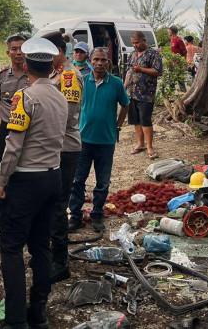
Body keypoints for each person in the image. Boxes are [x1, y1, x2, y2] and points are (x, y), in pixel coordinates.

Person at [0, 37, 67, 329]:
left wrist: (1, 181)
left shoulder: (25, 97)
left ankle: (15, 320)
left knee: (11, 248)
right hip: (53, 176)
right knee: (41, 246)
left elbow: (13, 147)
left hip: (26, 180)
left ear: (26, 65)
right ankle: (38, 313)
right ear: (52, 66)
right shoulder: (61, 97)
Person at [68, 47, 129, 234]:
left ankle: (96, 215)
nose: (99, 63)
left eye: (103, 60)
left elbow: (125, 105)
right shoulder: (82, 81)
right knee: (78, 179)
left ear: (108, 62)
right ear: (90, 60)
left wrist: (117, 125)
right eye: (96, 59)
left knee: (102, 182)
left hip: (106, 140)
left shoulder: (116, 83)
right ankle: (75, 216)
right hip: (83, 139)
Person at [41, 31, 83, 283]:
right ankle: (50, 254)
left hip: (64, 147)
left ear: (58, 51)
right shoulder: (54, 74)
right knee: (49, 203)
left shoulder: (68, 76)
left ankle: (60, 261)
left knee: (58, 205)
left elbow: (67, 115)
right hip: (53, 147)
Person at [0, 34, 29, 175]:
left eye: (22, 48)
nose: (19, 52)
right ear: (8, 53)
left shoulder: (35, 76)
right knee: (3, 167)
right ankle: (1, 197)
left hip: (29, 130)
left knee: (26, 168)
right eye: (14, 49)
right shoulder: (0, 76)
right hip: (6, 128)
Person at [121, 31, 163, 159]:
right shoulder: (132, 54)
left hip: (146, 94)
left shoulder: (153, 54)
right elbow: (129, 71)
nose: (135, 45)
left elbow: (157, 71)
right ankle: (140, 144)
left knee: (145, 120)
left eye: (137, 42)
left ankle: (150, 147)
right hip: (132, 92)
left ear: (144, 40)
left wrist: (141, 69)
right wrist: (123, 87)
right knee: (135, 120)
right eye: (133, 43)